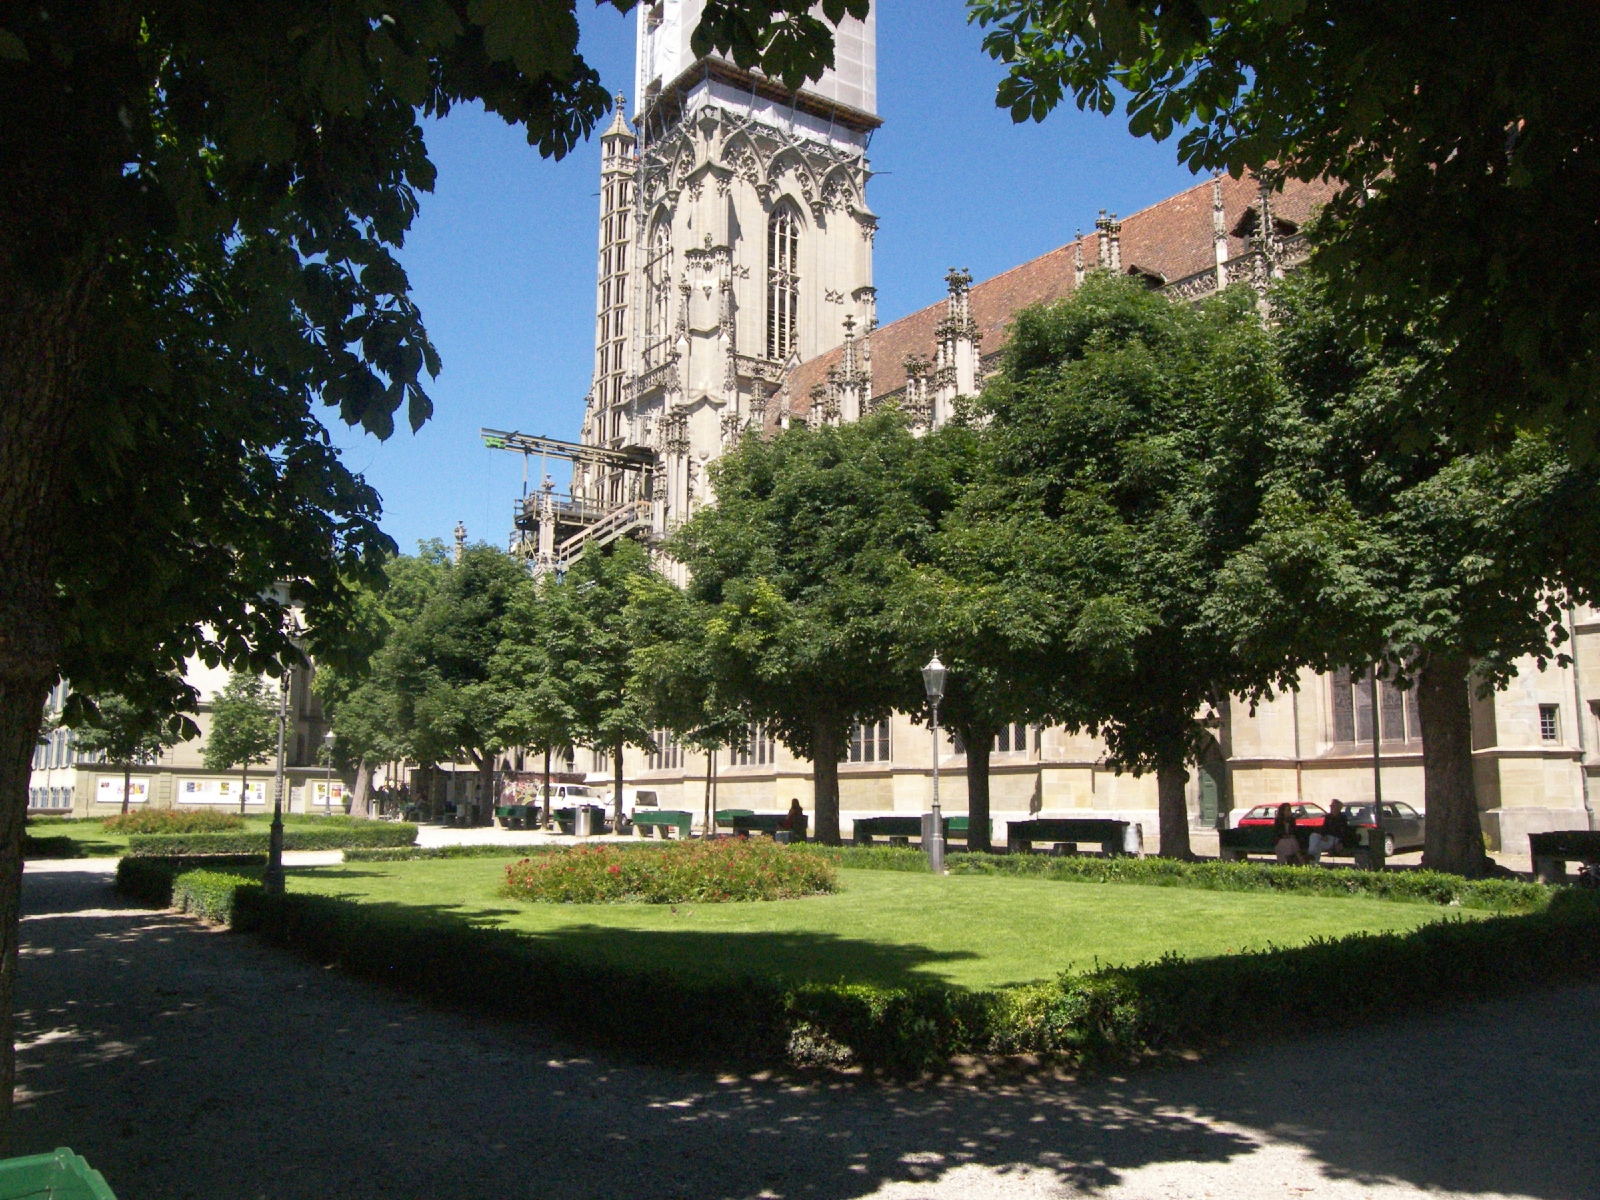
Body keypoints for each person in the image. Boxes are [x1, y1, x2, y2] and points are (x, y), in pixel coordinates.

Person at [1307, 799, 1350, 863]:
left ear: (1338, 808)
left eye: (1333, 806)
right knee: (1314, 836)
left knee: (1317, 846)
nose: (1331, 807)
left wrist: (1340, 843)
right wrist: (1323, 835)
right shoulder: (1328, 817)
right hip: (1326, 838)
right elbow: (1324, 828)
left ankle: (1311, 857)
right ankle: (1311, 855)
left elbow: (1344, 832)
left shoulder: (1342, 818)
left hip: (1335, 839)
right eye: (1330, 806)